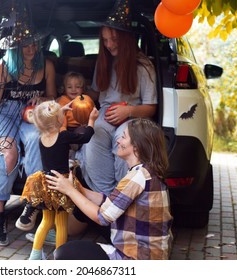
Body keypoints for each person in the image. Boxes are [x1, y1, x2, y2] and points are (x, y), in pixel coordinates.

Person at [0, 9, 56, 246]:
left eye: (34, 43)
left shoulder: (46, 64)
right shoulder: (4, 67)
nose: (31, 49)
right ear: (16, 46)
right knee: (7, 152)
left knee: (39, 141)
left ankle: (32, 204)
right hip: (5, 113)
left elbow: (52, 96)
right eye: (26, 45)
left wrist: (44, 101)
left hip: (32, 114)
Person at [76, 0, 157, 224]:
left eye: (114, 39)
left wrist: (129, 110)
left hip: (133, 117)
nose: (110, 44)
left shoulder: (143, 66)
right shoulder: (104, 62)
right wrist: (74, 95)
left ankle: (124, 202)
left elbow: (151, 108)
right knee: (92, 139)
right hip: (104, 115)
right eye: (105, 40)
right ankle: (107, 201)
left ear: (127, 38)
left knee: (125, 142)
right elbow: (96, 94)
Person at [46, 118, 173, 260]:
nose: (118, 141)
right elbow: (112, 203)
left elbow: (102, 217)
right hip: (149, 255)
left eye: (123, 137)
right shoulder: (145, 172)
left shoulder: (137, 177)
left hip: (136, 258)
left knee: (64, 253)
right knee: (83, 212)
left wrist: (70, 190)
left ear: (136, 146)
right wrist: (79, 189)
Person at [20, 100, 98, 260]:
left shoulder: (42, 137)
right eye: (62, 115)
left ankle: (34, 256)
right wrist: (91, 120)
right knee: (61, 223)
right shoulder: (63, 136)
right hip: (61, 184)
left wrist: (58, 111)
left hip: (46, 183)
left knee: (46, 221)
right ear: (58, 120)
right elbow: (85, 137)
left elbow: (48, 121)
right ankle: (59, 257)